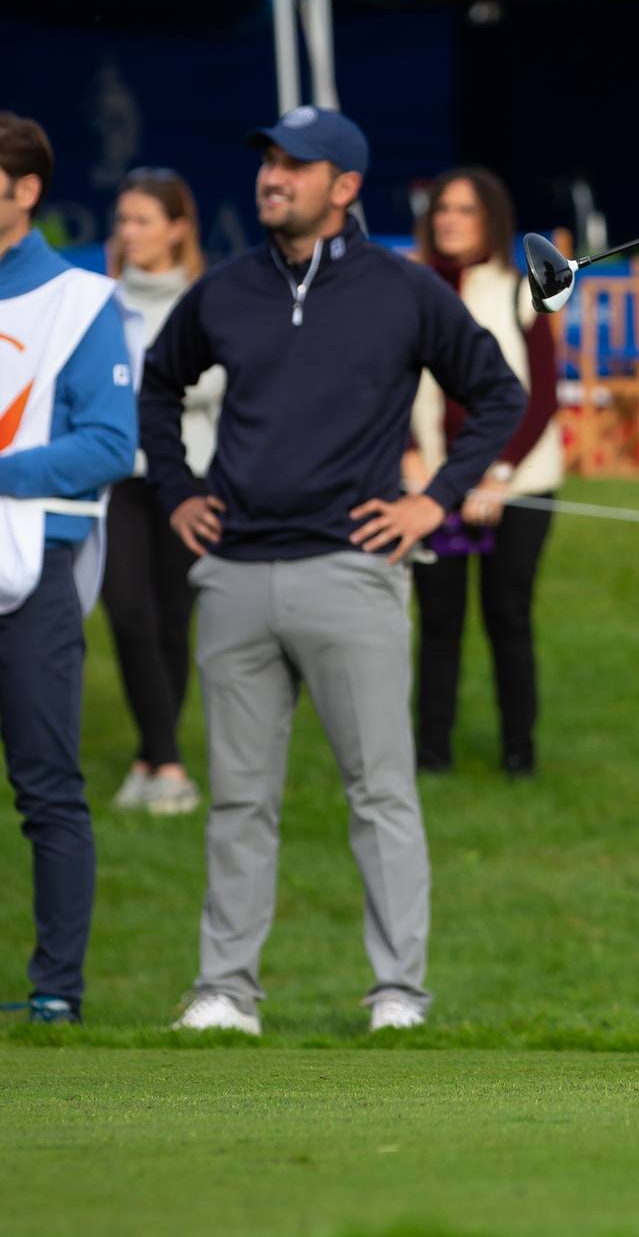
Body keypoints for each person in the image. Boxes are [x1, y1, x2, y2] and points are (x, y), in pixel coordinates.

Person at [139, 107, 525, 1036]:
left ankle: (400, 991)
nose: (274, 178)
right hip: (234, 574)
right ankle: (226, 989)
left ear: (343, 188)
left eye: (295, 166)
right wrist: (176, 490)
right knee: (238, 798)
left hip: (353, 572)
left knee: (381, 790)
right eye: (268, 162)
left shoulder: (403, 290)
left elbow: (498, 393)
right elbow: (158, 385)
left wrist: (434, 501)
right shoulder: (225, 290)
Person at [0, 111, 137, 1025]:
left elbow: (110, 446)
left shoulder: (81, 301)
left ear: (26, 189)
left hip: (31, 580)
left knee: (47, 786)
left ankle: (57, 991)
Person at [407, 167, 563, 779]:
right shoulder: (412, 288)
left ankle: (518, 752)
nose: (449, 219)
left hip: (517, 482)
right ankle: (430, 755)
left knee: (508, 614)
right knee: (438, 620)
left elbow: (542, 393)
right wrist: (410, 460)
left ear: (490, 220)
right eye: (442, 208)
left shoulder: (519, 289)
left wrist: (497, 475)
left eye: (464, 210)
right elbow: (387, 380)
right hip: (430, 482)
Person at [103, 168, 220, 817]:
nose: (129, 233)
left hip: (190, 475)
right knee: (127, 611)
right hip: (115, 476)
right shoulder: (98, 300)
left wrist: (143, 379)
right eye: (123, 220)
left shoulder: (207, 298)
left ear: (177, 228)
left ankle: (153, 760)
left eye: (143, 220)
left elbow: (217, 381)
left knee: (175, 619)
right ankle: (167, 760)